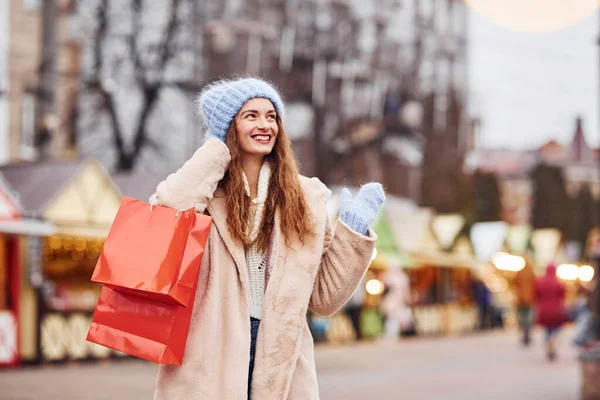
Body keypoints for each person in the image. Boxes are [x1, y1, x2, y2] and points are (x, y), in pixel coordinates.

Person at [151, 77, 385, 399]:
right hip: (209, 349)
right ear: (228, 126)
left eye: (272, 116)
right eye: (251, 116)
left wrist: (353, 230)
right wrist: (217, 149)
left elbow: (324, 298)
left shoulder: (305, 198)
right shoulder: (204, 192)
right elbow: (168, 212)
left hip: (280, 355)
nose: (265, 125)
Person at [535, 263, 567, 361]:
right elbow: (563, 294)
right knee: (556, 329)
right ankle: (553, 341)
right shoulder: (558, 282)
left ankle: (549, 343)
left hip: (543, 310)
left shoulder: (540, 282)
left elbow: (536, 295)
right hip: (556, 310)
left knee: (547, 329)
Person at [381, 267, 413, 340]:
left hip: (395, 300)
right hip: (395, 300)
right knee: (393, 317)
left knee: (395, 316)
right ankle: (393, 333)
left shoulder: (392, 277)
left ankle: (394, 332)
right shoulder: (401, 277)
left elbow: (388, 289)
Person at [514, 256, 536, 346]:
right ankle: (527, 334)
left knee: (523, 317)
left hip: (521, 299)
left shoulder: (520, 272)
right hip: (530, 299)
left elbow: (515, 283)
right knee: (529, 317)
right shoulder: (531, 272)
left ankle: (524, 334)